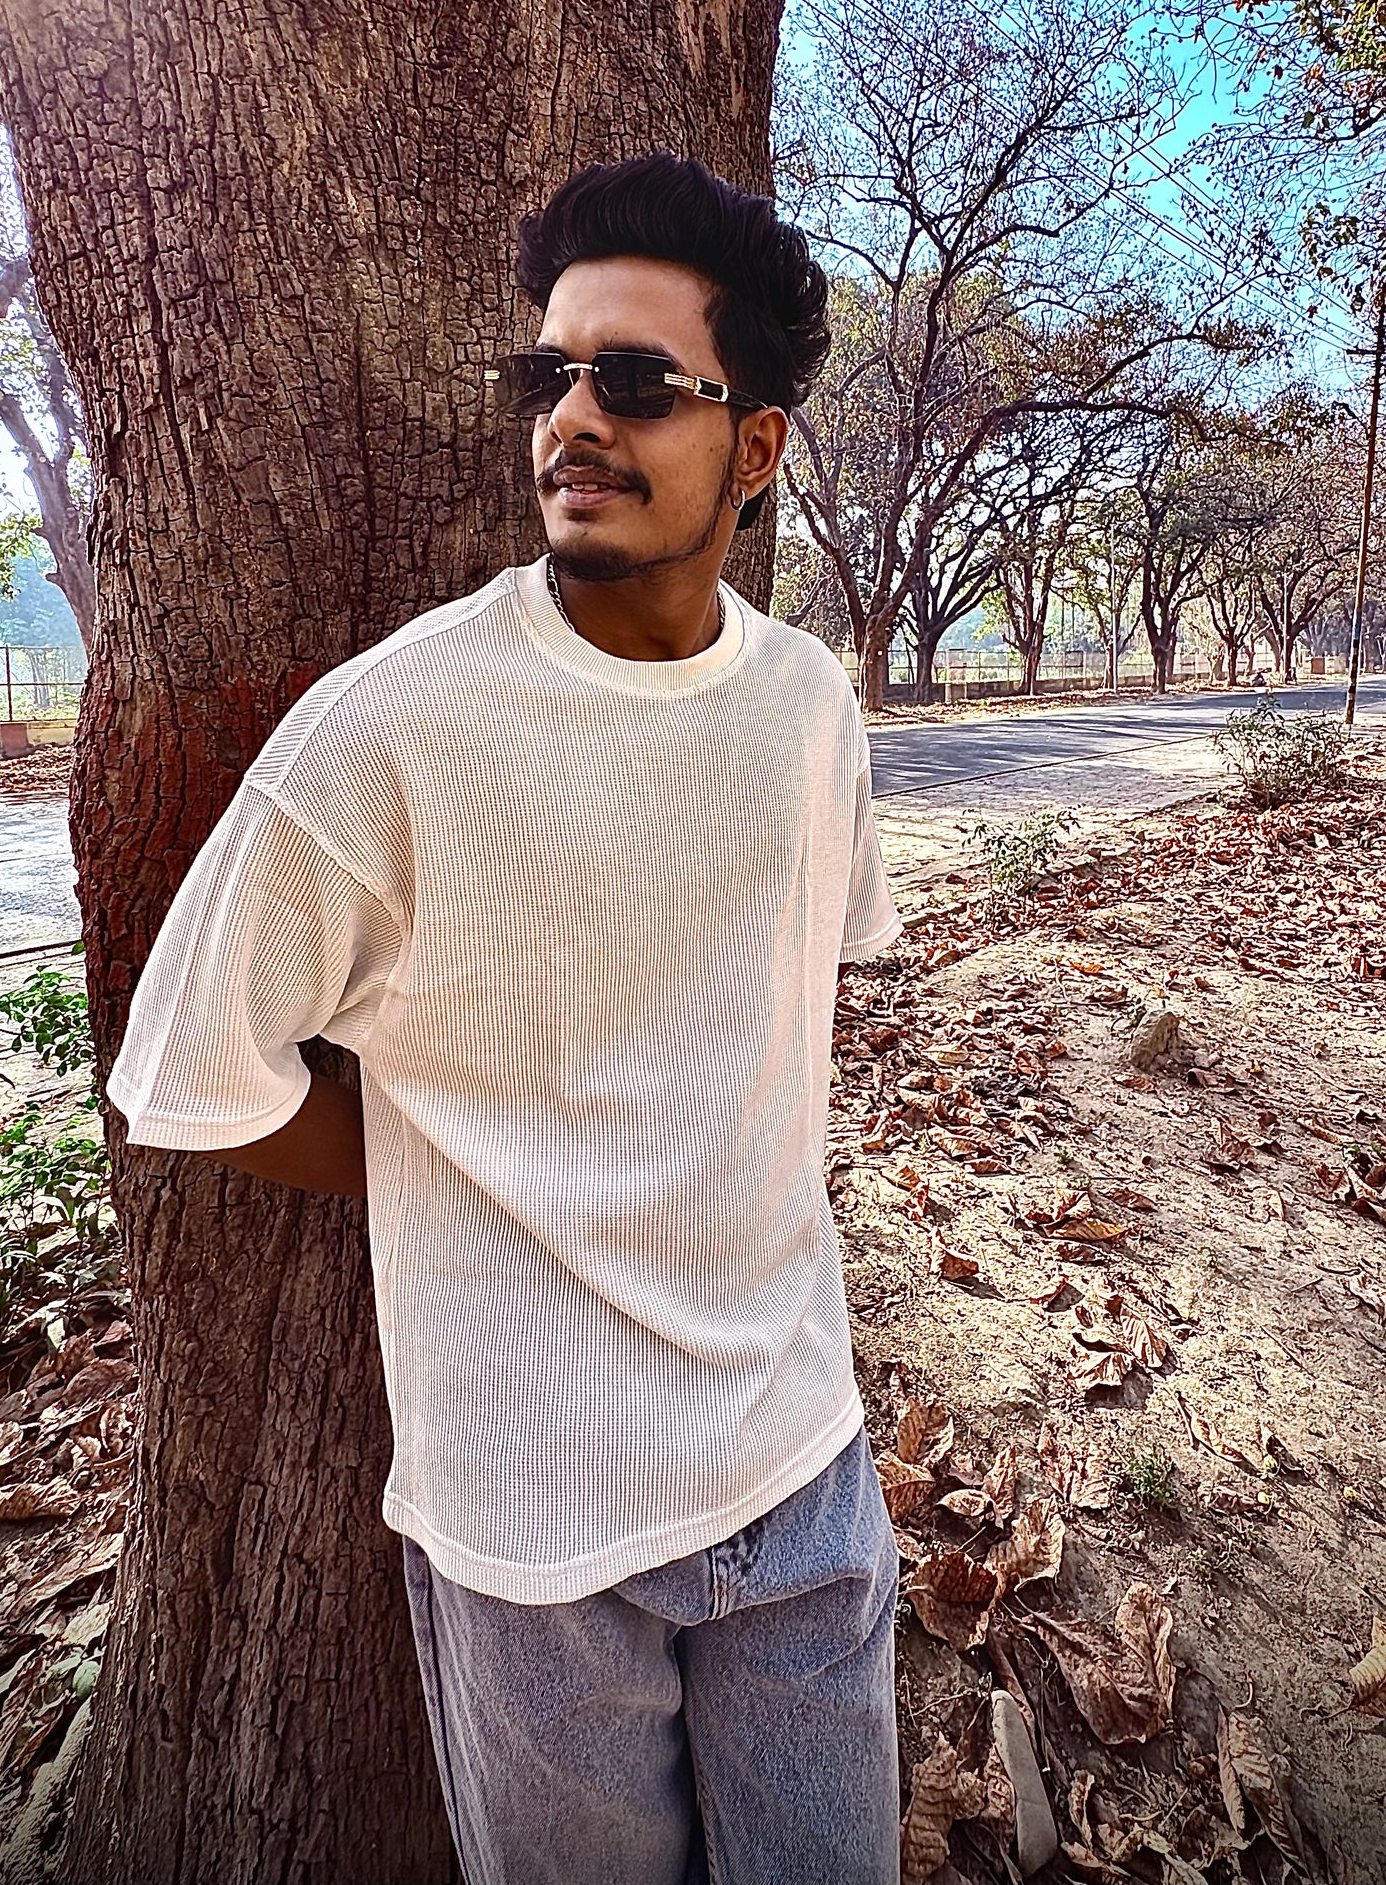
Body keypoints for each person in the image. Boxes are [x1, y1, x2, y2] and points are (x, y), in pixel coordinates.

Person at [110, 154, 904, 1885]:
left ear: (753, 450)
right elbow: (194, 1076)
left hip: (800, 1460)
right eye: (549, 375)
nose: (574, 420)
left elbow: (780, 1009)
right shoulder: (381, 733)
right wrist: (446, 1157)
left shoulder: (808, 708)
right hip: (536, 1526)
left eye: (635, 383)